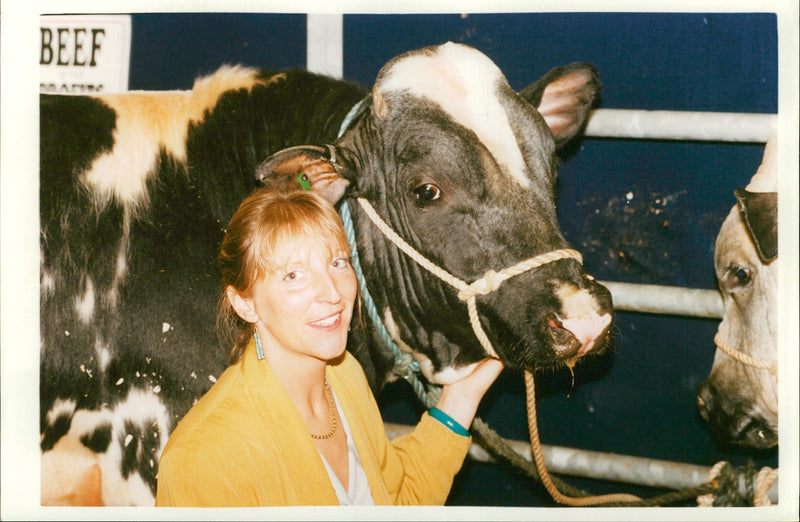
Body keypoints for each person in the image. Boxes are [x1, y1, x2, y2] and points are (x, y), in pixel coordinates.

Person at [155, 188, 504, 506]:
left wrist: (463, 395)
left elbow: (398, 500)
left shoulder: (343, 375)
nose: (333, 293)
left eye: (338, 263)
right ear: (245, 304)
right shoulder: (202, 460)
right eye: (294, 275)